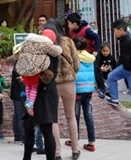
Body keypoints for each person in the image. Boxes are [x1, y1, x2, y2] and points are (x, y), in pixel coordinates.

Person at [23, 19, 60, 160]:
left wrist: (32, 74)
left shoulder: (52, 53)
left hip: (44, 93)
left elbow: (47, 76)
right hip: (37, 92)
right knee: (28, 126)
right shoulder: (40, 51)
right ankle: (26, 157)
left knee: (46, 129)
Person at [49, 18, 80, 160]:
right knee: (71, 116)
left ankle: (57, 153)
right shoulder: (68, 41)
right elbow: (77, 63)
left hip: (53, 84)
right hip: (69, 82)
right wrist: (71, 72)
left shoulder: (47, 43)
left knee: (54, 119)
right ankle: (75, 150)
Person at [15, 30, 62, 115]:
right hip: (35, 68)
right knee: (34, 87)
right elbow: (56, 52)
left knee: (28, 85)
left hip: (25, 67)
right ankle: (31, 103)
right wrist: (59, 47)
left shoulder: (28, 41)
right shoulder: (45, 44)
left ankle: (28, 100)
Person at [105, 19, 131, 124]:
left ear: (121, 30)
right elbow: (122, 55)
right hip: (125, 67)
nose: (114, 33)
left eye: (114, 31)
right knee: (111, 76)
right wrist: (117, 68)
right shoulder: (122, 39)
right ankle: (114, 99)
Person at [73, 36, 96, 152]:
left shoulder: (74, 57)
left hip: (77, 90)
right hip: (89, 90)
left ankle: (74, 140)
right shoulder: (90, 57)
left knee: (75, 116)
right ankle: (91, 142)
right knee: (88, 115)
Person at [10, 43, 26, 144]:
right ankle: (24, 138)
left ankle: (17, 136)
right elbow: (22, 83)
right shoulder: (19, 66)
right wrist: (25, 94)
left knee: (17, 115)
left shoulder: (18, 64)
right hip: (20, 94)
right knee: (21, 116)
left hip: (16, 94)